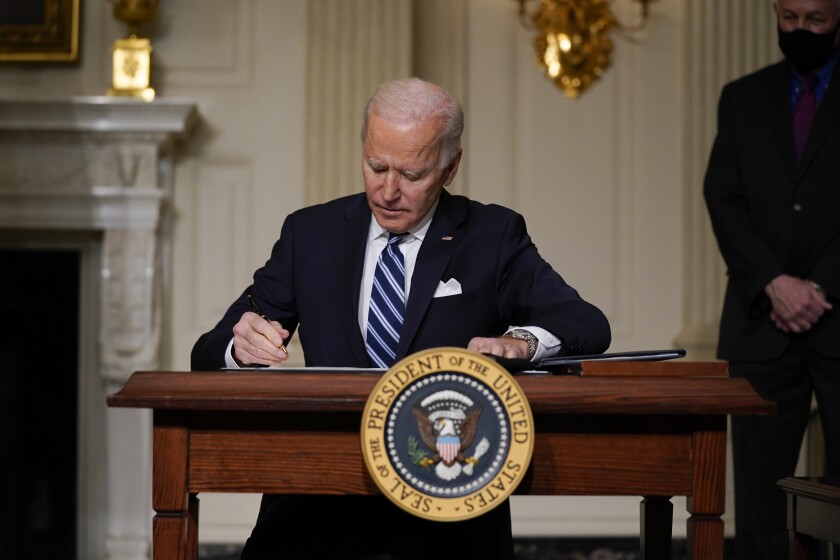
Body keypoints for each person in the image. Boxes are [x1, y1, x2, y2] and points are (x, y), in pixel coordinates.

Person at [192, 77, 611, 560]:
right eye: (376, 167)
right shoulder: (311, 234)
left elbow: (586, 322)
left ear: (450, 168)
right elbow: (208, 350)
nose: (388, 191)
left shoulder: (492, 237)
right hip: (315, 506)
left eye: (411, 175)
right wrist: (239, 347)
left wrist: (522, 342)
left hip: (448, 511)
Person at [703, 1, 840, 557]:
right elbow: (723, 198)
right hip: (761, 323)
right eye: (789, 18)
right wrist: (774, 283)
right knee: (760, 501)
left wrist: (818, 286)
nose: (800, 30)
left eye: (816, 20)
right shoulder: (743, 96)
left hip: (838, 320)